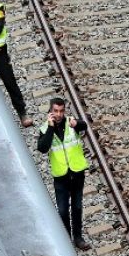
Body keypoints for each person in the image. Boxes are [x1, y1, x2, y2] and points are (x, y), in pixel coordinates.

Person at [37, 98, 90, 247]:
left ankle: (78, 238)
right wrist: (50, 128)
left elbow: (84, 125)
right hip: (61, 176)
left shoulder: (71, 123)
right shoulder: (45, 129)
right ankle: (67, 239)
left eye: (61, 111)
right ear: (50, 111)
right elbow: (42, 148)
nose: (59, 114)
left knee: (77, 207)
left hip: (77, 172)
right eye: (56, 111)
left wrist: (77, 124)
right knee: (62, 210)